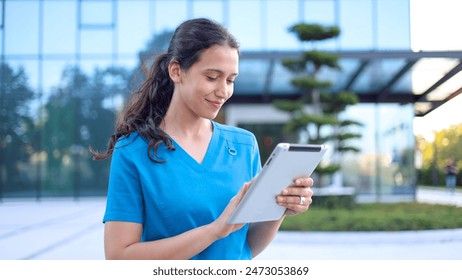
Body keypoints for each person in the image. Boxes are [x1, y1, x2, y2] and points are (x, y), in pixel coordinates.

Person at [90, 18, 314, 260]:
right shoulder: (133, 151)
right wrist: (214, 230)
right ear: (176, 71)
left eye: (230, 80)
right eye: (211, 77)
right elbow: (119, 257)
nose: (224, 91)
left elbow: (245, 247)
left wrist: (279, 208)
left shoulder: (244, 145)